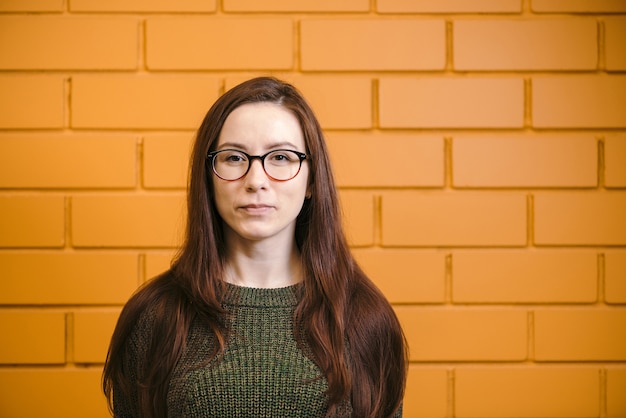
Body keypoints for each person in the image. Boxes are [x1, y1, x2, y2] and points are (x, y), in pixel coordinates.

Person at [102, 76, 408, 418]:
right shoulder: (156, 315)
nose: (256, 181)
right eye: (234, 158)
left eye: (280, 157)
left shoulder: (365, 318)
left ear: (311, 180)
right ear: (209, 175)